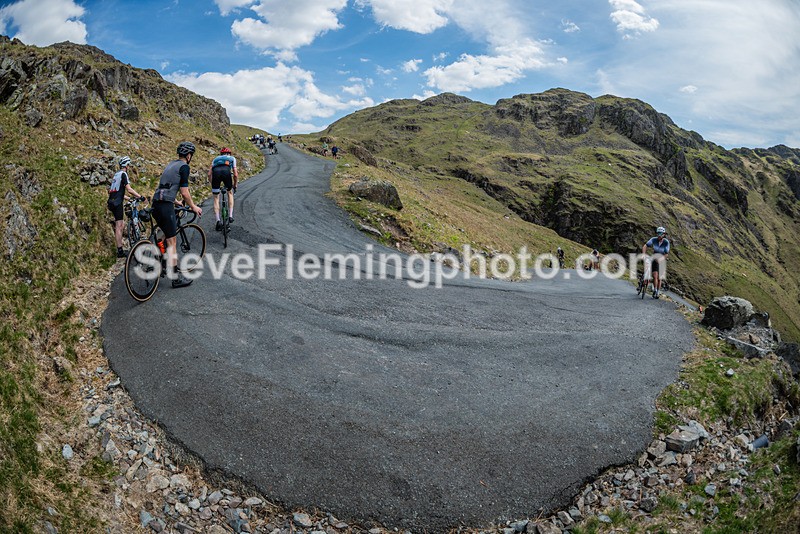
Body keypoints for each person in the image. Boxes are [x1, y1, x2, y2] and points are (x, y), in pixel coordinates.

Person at [151, 142, 202, 288]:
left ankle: (159, 261)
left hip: (156, 203)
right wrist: (193, 206)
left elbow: (165, 186)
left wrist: (176, 201)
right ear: (188, 155)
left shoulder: (170, 165)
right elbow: (185, 192)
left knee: (162, 235)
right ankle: (175, 279)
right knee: (172, 241)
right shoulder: (184, 167)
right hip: (166, 206)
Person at [107, 156, 146, 258]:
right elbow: (129, 189)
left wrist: (129, 199)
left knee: (120, 224)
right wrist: (140, 197)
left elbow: (116, 192)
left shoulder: (116, 175)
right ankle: (120, 251)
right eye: (128, 165)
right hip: (117, 203)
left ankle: (120, 246)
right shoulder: (124, 174)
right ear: (126, 165)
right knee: (119, 226)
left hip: (111, 201)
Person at [209, 147, 238, 231]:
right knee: (230, 193)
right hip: (226, 172)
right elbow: (235, 174)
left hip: (216, 173)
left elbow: (209, 174)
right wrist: (235, 185)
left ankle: (218, 220)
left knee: (216, 198)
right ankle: (230, 216)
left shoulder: (215, 159)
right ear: (229, 153)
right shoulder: (232, 158)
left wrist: (213, 184)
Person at [642, 226, 670, 299]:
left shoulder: (666, 242)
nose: (659, 235)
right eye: (658, 233)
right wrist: (644, 254)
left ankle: (657, 291)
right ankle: (647, 283)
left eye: (660, 234)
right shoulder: (653, 239)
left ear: (664, 234)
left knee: (659, 278)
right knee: (654, 275)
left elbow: (666, 254)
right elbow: (645, 246)